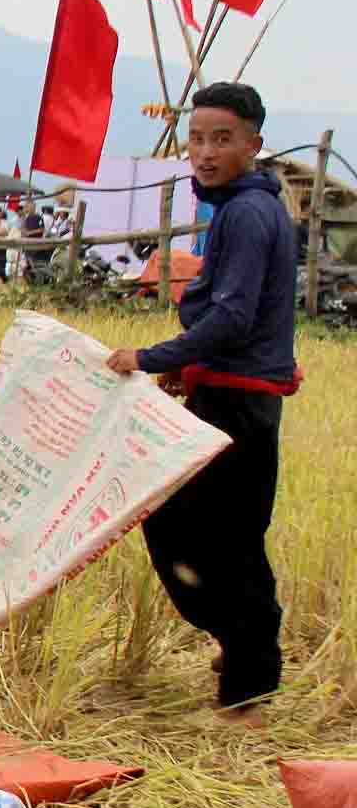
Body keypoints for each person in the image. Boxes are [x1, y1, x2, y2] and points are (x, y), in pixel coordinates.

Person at [104, 82, 297, 725]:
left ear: (253, 144)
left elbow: (234, 316)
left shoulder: (245, 213)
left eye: (222, 139)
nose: (205, 152)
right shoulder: (245, 206)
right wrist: (190, 369)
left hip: (239, 403)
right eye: (196, 138)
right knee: (206, 530)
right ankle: (245, 646)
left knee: (213, 537)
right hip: (228, 391)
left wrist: (150, 357)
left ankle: (249, 681)